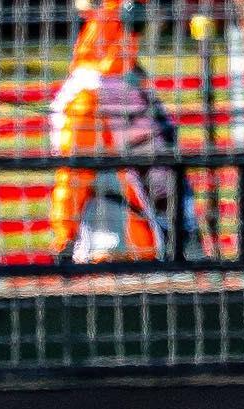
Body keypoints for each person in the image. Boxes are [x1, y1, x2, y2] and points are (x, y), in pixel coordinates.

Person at [49, 0, 202, 262]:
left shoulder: (130, 87)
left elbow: (165, 174)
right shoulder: (88, 99)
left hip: (151, 246)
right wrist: (65, 239)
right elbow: (74, 176)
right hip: (110, 251)